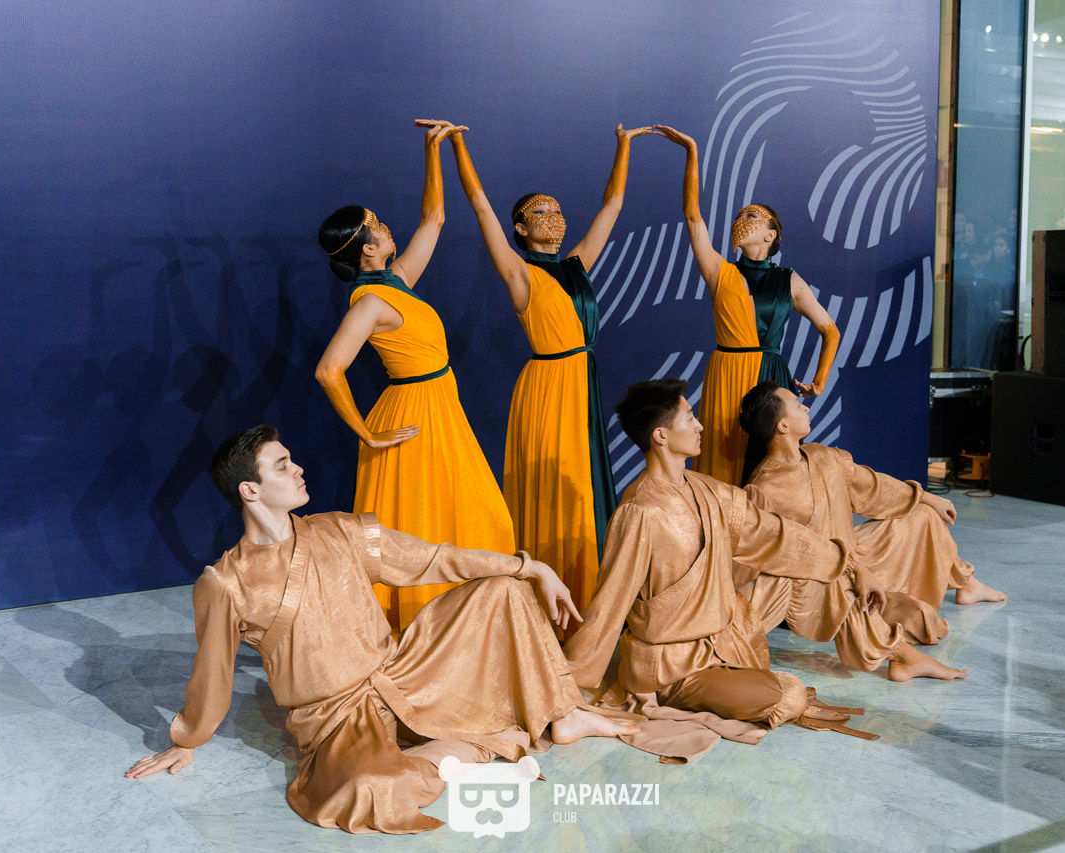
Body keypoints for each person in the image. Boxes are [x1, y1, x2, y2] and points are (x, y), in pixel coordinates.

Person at [125, 425, 637, 834]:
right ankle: (472, 749)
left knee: (503, 590)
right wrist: (188, 740)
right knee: (371, 789)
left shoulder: (341, 530)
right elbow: (213, 673)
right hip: (336, 715)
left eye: (291, 459)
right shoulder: (224, 582)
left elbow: (435, 559)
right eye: (282, 465)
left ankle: (565, 713)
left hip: (404, 673)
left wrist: (529, 567)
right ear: (250, 490)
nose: (298, 468)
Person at [562, 379, 883, 753]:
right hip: (669, 669)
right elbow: (609, 602)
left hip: (720, 648)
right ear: (661, 436)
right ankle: (669, 702)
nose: (699, 425)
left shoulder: (709, 491)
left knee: (780, 680)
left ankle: (708, 696)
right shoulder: (639, 512)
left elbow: (775, 535)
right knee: (790, 695)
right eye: (689, 417)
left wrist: (850, 566)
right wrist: (565, 687)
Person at [443, 122, 653, 613]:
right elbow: (480, 206)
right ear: (520, 228)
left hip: (581, 382)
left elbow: (612, 205)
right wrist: (457, 144)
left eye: (557, 211)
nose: (554, 218)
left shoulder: (577, 263)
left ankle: (594, 594)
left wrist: (623, 147)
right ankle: (548, 596)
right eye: (541, 212)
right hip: (549, 387)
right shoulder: (520, 273)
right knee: (559, 489)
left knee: (584, 487)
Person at [314, 120, 514, 630]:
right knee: (424, 517)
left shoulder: (398, 280)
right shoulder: (370, 302)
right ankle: (424, 626)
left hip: (440, 407)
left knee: (473, 515)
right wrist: (365, 432)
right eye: (377, 225)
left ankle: (463, 622)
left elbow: (434, 217)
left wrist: (433, 149)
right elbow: (329, 370)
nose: (387, 228)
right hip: (415, 417)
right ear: (367, 247)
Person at [734, 382, 1004, 679]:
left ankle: (966, 583)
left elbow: (874, 487)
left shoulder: (823, 456)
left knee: (922, 514)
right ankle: (903, 656)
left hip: (857, 555)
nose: (806, 408)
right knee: (858, 592)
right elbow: (776, 558)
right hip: (817, 581)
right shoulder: (763, 488)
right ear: (783, 425)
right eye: (798, 406)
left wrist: (928, 497)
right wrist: (853, 569)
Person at [653, 125, 841, 487]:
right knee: (724, 462)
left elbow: (830, 330)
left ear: (771, 235)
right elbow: (692, 216)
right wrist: (692, 152)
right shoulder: (718, 270)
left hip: (770, 377)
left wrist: (819, 382)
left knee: (770, 470)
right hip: (725, 372)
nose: (742, 220)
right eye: (740, 215)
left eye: (752, 216)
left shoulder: (789, 280)